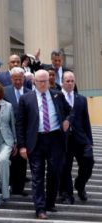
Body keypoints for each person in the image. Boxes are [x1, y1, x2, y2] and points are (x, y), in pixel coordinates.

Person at [16, 69, 72, 219]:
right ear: (34, 81)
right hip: (36, 141)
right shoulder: (26, 98)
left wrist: (67, 120)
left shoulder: (57, 95)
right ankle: (40, 208)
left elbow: (69, 111)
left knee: (54, 172)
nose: (42, 84)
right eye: (40, 81)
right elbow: (20, 124)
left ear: (49, 81)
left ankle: (50, 203)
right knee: (37, 175)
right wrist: (21, 145)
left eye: (45, 81)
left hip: (55, 139)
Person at [59, 71, 94, 204]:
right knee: (65, 167)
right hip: (64, 139)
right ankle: (67, 194)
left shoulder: (81, 99)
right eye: (67, 81)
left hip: (80, 138)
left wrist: (89, 141)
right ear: (62, 82)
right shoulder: (56, 97)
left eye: (72, 81)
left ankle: (80, 185)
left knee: (88, 162)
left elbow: (86, 120)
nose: (70, 83)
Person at [3, 67, 30, 196]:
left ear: (24, 79)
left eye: (20, 79)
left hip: (25, 132)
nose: (18, 82)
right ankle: (10, 185)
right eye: (15, 79)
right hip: (8, 131)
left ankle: (19, 188)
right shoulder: (5, 91)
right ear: (11, 79)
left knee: (22, 160)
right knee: (11, 159)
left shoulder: (30, 92)